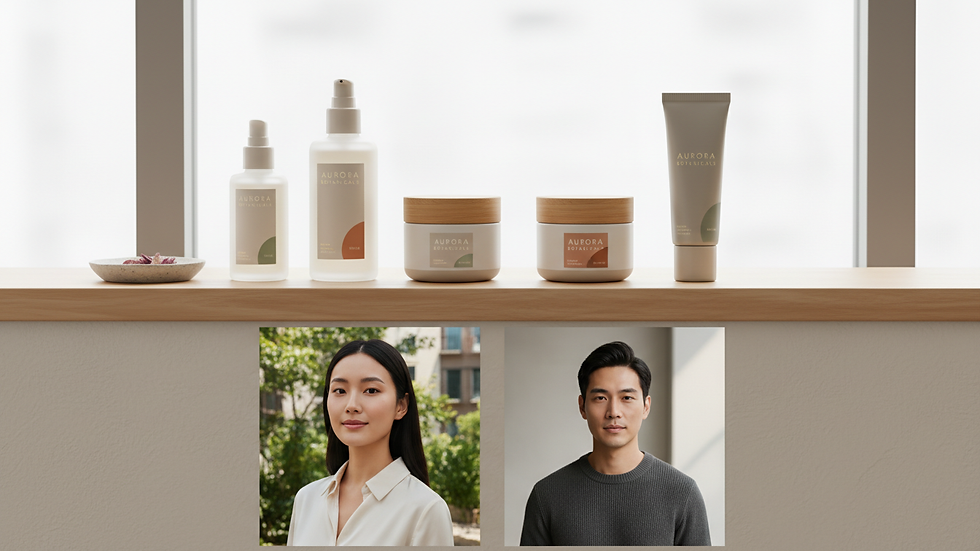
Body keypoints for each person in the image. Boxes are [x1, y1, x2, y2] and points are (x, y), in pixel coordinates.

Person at [520, 341, 710, 546]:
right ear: (582, 407)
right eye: (600, 398)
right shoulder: (547, 495)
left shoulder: (682, 493)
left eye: (627, 397)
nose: (614, 412)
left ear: (646, 406)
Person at [287, 339, 454, 546]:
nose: (352, 405)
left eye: (371, 390)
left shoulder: (426, 509)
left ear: (401, 406)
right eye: (340, 390)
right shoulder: (306, 499)